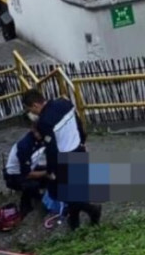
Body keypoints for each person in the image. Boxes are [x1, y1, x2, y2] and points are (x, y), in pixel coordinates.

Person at [22, 89, 101, 230]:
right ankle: (74, 224)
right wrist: (82, 141)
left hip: (66, 158)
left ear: (35, 105)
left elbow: (51, 149)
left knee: (61, 193)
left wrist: (51, 171)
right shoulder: (65, 103)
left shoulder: (44, 122)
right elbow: (78, 124)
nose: (31, 113)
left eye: (30, 110)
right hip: (79, 149)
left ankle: (92, 210)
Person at [3, 129, 47, 217]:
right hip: (14, 175)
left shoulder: (41, 139)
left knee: (50, 171)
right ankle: (25, 207)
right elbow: (27, 174)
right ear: (34, 130)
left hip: (29, 167)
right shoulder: (24, 146)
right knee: (32, 184)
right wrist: (46, 173)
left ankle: (37, 195)